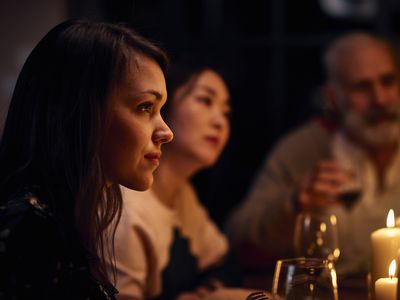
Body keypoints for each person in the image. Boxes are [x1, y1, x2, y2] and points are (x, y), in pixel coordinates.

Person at [0, 19, 173, 300]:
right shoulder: (28, 229)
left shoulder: (64, 219)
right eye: (145, 107)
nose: (167, 132)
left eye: (160, 109)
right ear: (81, 111)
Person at [226, 32, 400, 276]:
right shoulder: (302, 149)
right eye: (362, 87)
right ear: (333, 97)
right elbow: (239, 237)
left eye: (388, 81)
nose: (380, 99)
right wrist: (294, 204)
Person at [111, 60, 251, 300]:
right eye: (205, 101)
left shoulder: (182, 194)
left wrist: (200, 295)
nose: (220, 122)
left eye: (226, 112)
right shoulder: (126, 210)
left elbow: (227, 266)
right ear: (162, 107)